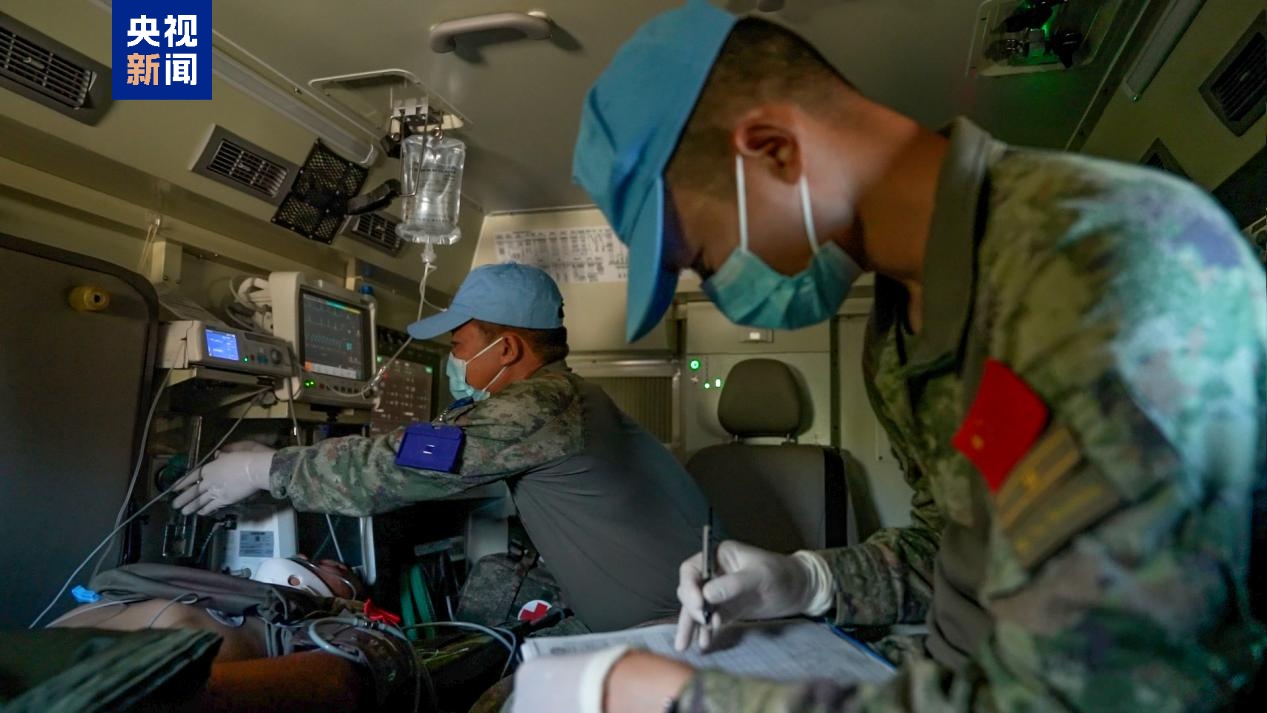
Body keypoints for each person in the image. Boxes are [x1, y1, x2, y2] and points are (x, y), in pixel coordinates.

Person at [514, 2, 1267, 712]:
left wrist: (681, 699)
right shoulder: (900, 327)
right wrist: (810, 580)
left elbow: (1092, 691)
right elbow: (958, 543)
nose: (718, 290)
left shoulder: (1103, 264)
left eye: (703, 258)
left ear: (774, 151)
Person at [172, 262, 714, 632]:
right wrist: (272, 460)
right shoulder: (564, 396)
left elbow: (401, 465)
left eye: (458, 344)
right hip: (664, 612)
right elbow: (429, 448)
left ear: (507, 348)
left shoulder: (542, 404)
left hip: (670, 631)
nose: (454, 358)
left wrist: (264, 470)